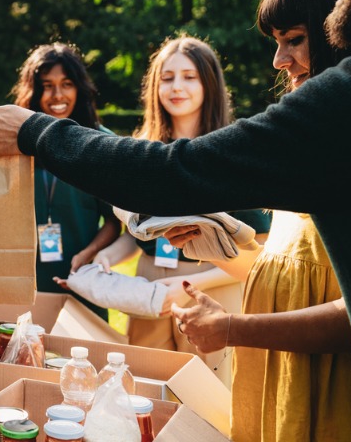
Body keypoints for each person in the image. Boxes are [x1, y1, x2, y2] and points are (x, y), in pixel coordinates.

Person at [0, 0, 351, 380]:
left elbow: (172, 173)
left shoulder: (338, 108)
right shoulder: (322, 125)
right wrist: (226, 245)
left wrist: (35, 131)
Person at [168, 0, 351, 441]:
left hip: (333, 402)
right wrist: (214, 244)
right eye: (276, 44)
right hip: (280, 391)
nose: (279, 62)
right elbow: (296, 274)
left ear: (339, 31)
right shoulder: (311, 142)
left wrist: (233, 329)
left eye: (294, 40)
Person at [90, 36, 269, 375]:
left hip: (210, 286)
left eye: (189, 77)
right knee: (146, 388)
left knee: (208, 398)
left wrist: (190, 287)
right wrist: (107, 257)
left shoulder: (232, 152)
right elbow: (140, 231)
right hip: (147, 289)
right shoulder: (141, 151)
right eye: (167, 77)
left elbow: (258, 254)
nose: (176, 87)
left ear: (209, 83)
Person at [6, 43, 120, 321]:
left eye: (66, 84)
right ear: (33, 90)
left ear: (79, 88)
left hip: (79, 278)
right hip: (23, 282)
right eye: (47, 85)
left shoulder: (100, 142)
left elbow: (115, 221)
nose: (58, 95)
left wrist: (89, 254)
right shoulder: (16, 143)